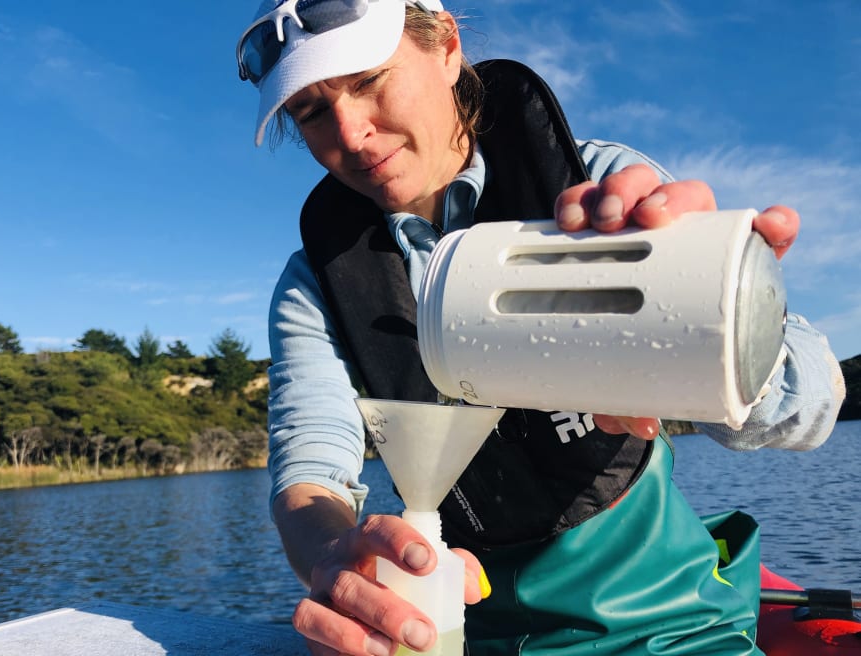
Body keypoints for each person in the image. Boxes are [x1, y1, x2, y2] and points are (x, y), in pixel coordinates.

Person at [236, 1, 847, 654]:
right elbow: (310, 475)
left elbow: (813, 402)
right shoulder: (317, 282)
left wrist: (728, 336)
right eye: (311, 111)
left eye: (368, 81)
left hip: (665, 624)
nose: (350, 134)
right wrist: (335, 552)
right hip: (463, 629)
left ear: (446, 48)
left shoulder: (600, 188)